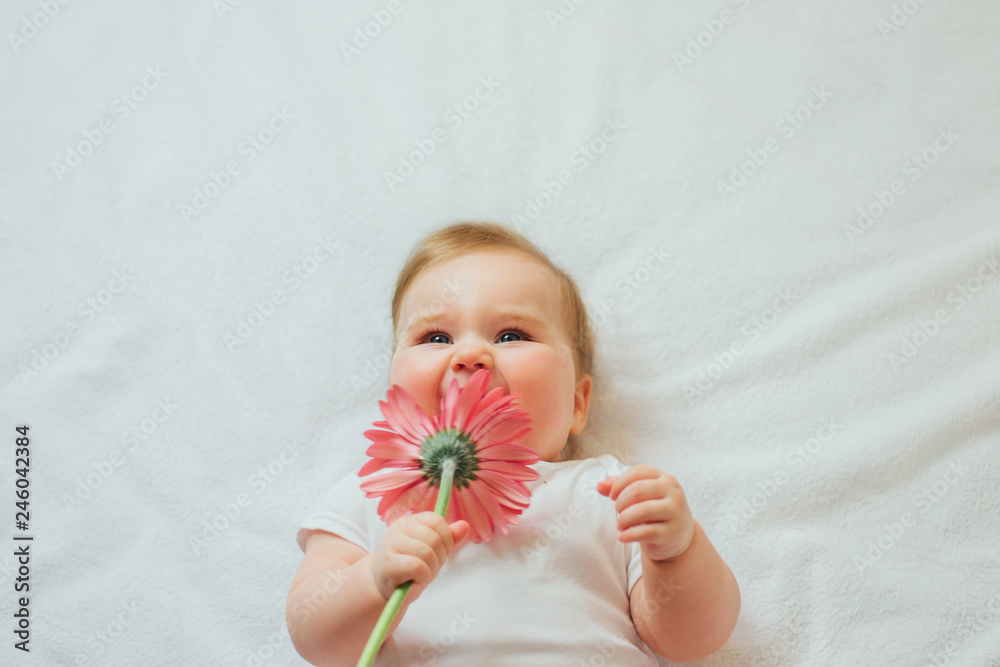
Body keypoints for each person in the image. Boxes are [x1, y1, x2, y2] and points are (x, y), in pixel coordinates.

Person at [286, 222, 740, 665]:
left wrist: (677, 552)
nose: (470, 355)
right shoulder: (370, 488)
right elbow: (316, 640)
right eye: (435, 337)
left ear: (577, 405)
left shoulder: (611, 491)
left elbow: (690, 641)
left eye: (511, 336)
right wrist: (373, 582)